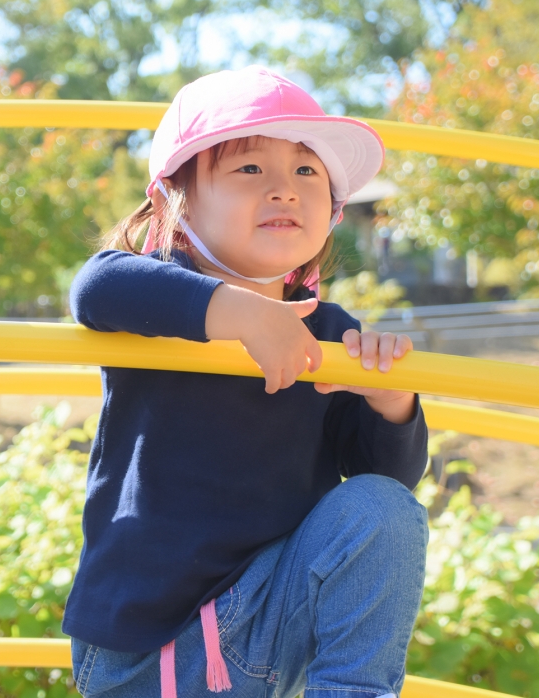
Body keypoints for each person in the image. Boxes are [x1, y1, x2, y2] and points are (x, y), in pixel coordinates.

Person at [65, 67, 429, 698]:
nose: (285, 191)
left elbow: (384, 480)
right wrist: (234, 311)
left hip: (268, 622)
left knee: (383, 508)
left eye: (307, 172)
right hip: (147, 646)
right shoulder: (155, 299)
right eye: (250, 170)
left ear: (334, 212)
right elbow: (96, 286)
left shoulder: (332, 332)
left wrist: (390, 398)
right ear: (171, 203)